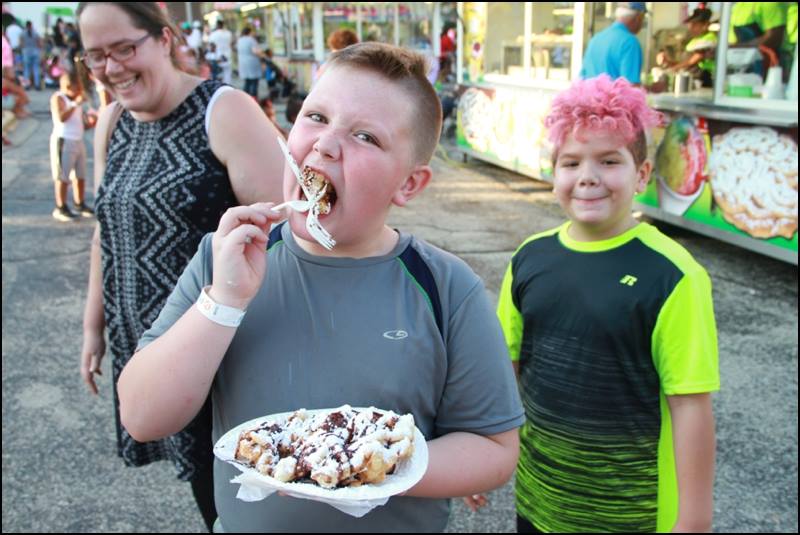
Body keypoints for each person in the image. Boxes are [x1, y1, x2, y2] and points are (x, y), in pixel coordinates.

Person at [117, 41, 524, 533]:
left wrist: (366, 470)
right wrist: (224, 302)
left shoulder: (444, 286)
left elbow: (494, 448)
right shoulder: (225, 259)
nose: (326, 144)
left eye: (366, 137)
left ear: (409, 185)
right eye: (315, 117)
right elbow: (142, 416)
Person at [76, 3, 285, 532]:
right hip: (148, 350)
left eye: (125, 48)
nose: (112, 67)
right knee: (207, 494)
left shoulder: (224, 109)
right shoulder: (112, 120)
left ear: (165, 39)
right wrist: (93, 326)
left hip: (219, 357)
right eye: (96, 56)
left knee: (238, 495)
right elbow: (107, 227)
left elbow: (285, 234)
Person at [496, 74, 719, 533]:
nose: (587, 177)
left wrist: (694, 520)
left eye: (609, 160)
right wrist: (482, 446)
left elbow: (691, 406)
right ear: (552, 171)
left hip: (632, 515)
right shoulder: (528, 258)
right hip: (539, 502)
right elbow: (506, 369)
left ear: (641, 175)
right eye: (571, 162)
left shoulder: (674, 275)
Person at [49, 68, 96, 222]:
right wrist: (75, 104)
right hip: (64, 139)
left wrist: (91, 122)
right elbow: (62, 117)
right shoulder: (59, 98)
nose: (72, 89)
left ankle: (79, 203)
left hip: (78, 139)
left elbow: (81, 122)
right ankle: (61, 206)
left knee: (80, 175)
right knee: (62, 176)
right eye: (69, 86)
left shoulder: (77, 101)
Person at [580, 2, 647, 84]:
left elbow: (582, 78)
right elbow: (630, 86)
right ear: (638, 18)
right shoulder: (629, 42)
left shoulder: (596, 39)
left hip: (590, 96)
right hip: (615, 97)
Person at [658, 6, 717, 87]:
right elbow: (685, 62)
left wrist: (670, 70)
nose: (691, 28)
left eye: (695, 24)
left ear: (705, 25)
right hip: (690, 80)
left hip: (703, 79)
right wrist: (669, 62)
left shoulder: (709, 39)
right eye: (690, 24)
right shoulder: (694, 41)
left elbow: (691, 62)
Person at [236, 26, 265, 98]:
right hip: (252, 63)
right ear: (249, 32)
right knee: (254, 81)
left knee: (247, 82)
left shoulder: (240, 40)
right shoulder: (251, 40)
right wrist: (262, 54)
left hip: (243, 63)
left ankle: (245, 99)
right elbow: (255, 51)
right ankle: (254, 98)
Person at [208, 20, 233, 84]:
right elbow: (231, 43)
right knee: (227, 74)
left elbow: (211, 46)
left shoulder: (213, 34)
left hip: (218, 56)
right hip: (227, 55)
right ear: (223, 25)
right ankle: (228, 87)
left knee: (218, 74)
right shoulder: (228, 33)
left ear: (217, 25)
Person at [20, 21, 43, 90]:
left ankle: (27, 85)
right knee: (36, 69)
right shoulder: (35, 33)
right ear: (31, 25)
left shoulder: (22, 33)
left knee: (26, 69)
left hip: (26, 52)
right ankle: (37, 85)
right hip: (35, 52)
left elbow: (21, 44)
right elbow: (39, 44)